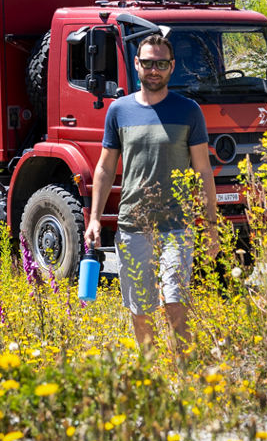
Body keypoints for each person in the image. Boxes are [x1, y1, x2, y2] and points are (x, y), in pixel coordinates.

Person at [85, 31, 220, 354]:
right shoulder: (119, 111)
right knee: (141, 309)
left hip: (177, 224)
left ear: (172, 67)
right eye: (148, 63)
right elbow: (104, 169)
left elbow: (203, 170)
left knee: (174, 301)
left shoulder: (188, 111)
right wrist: (94, 219)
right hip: (133, 224)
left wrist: (212, 226)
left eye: (161, 64)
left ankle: (186, 373)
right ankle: (151, 375)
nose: (154, 70)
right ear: (136, 64)